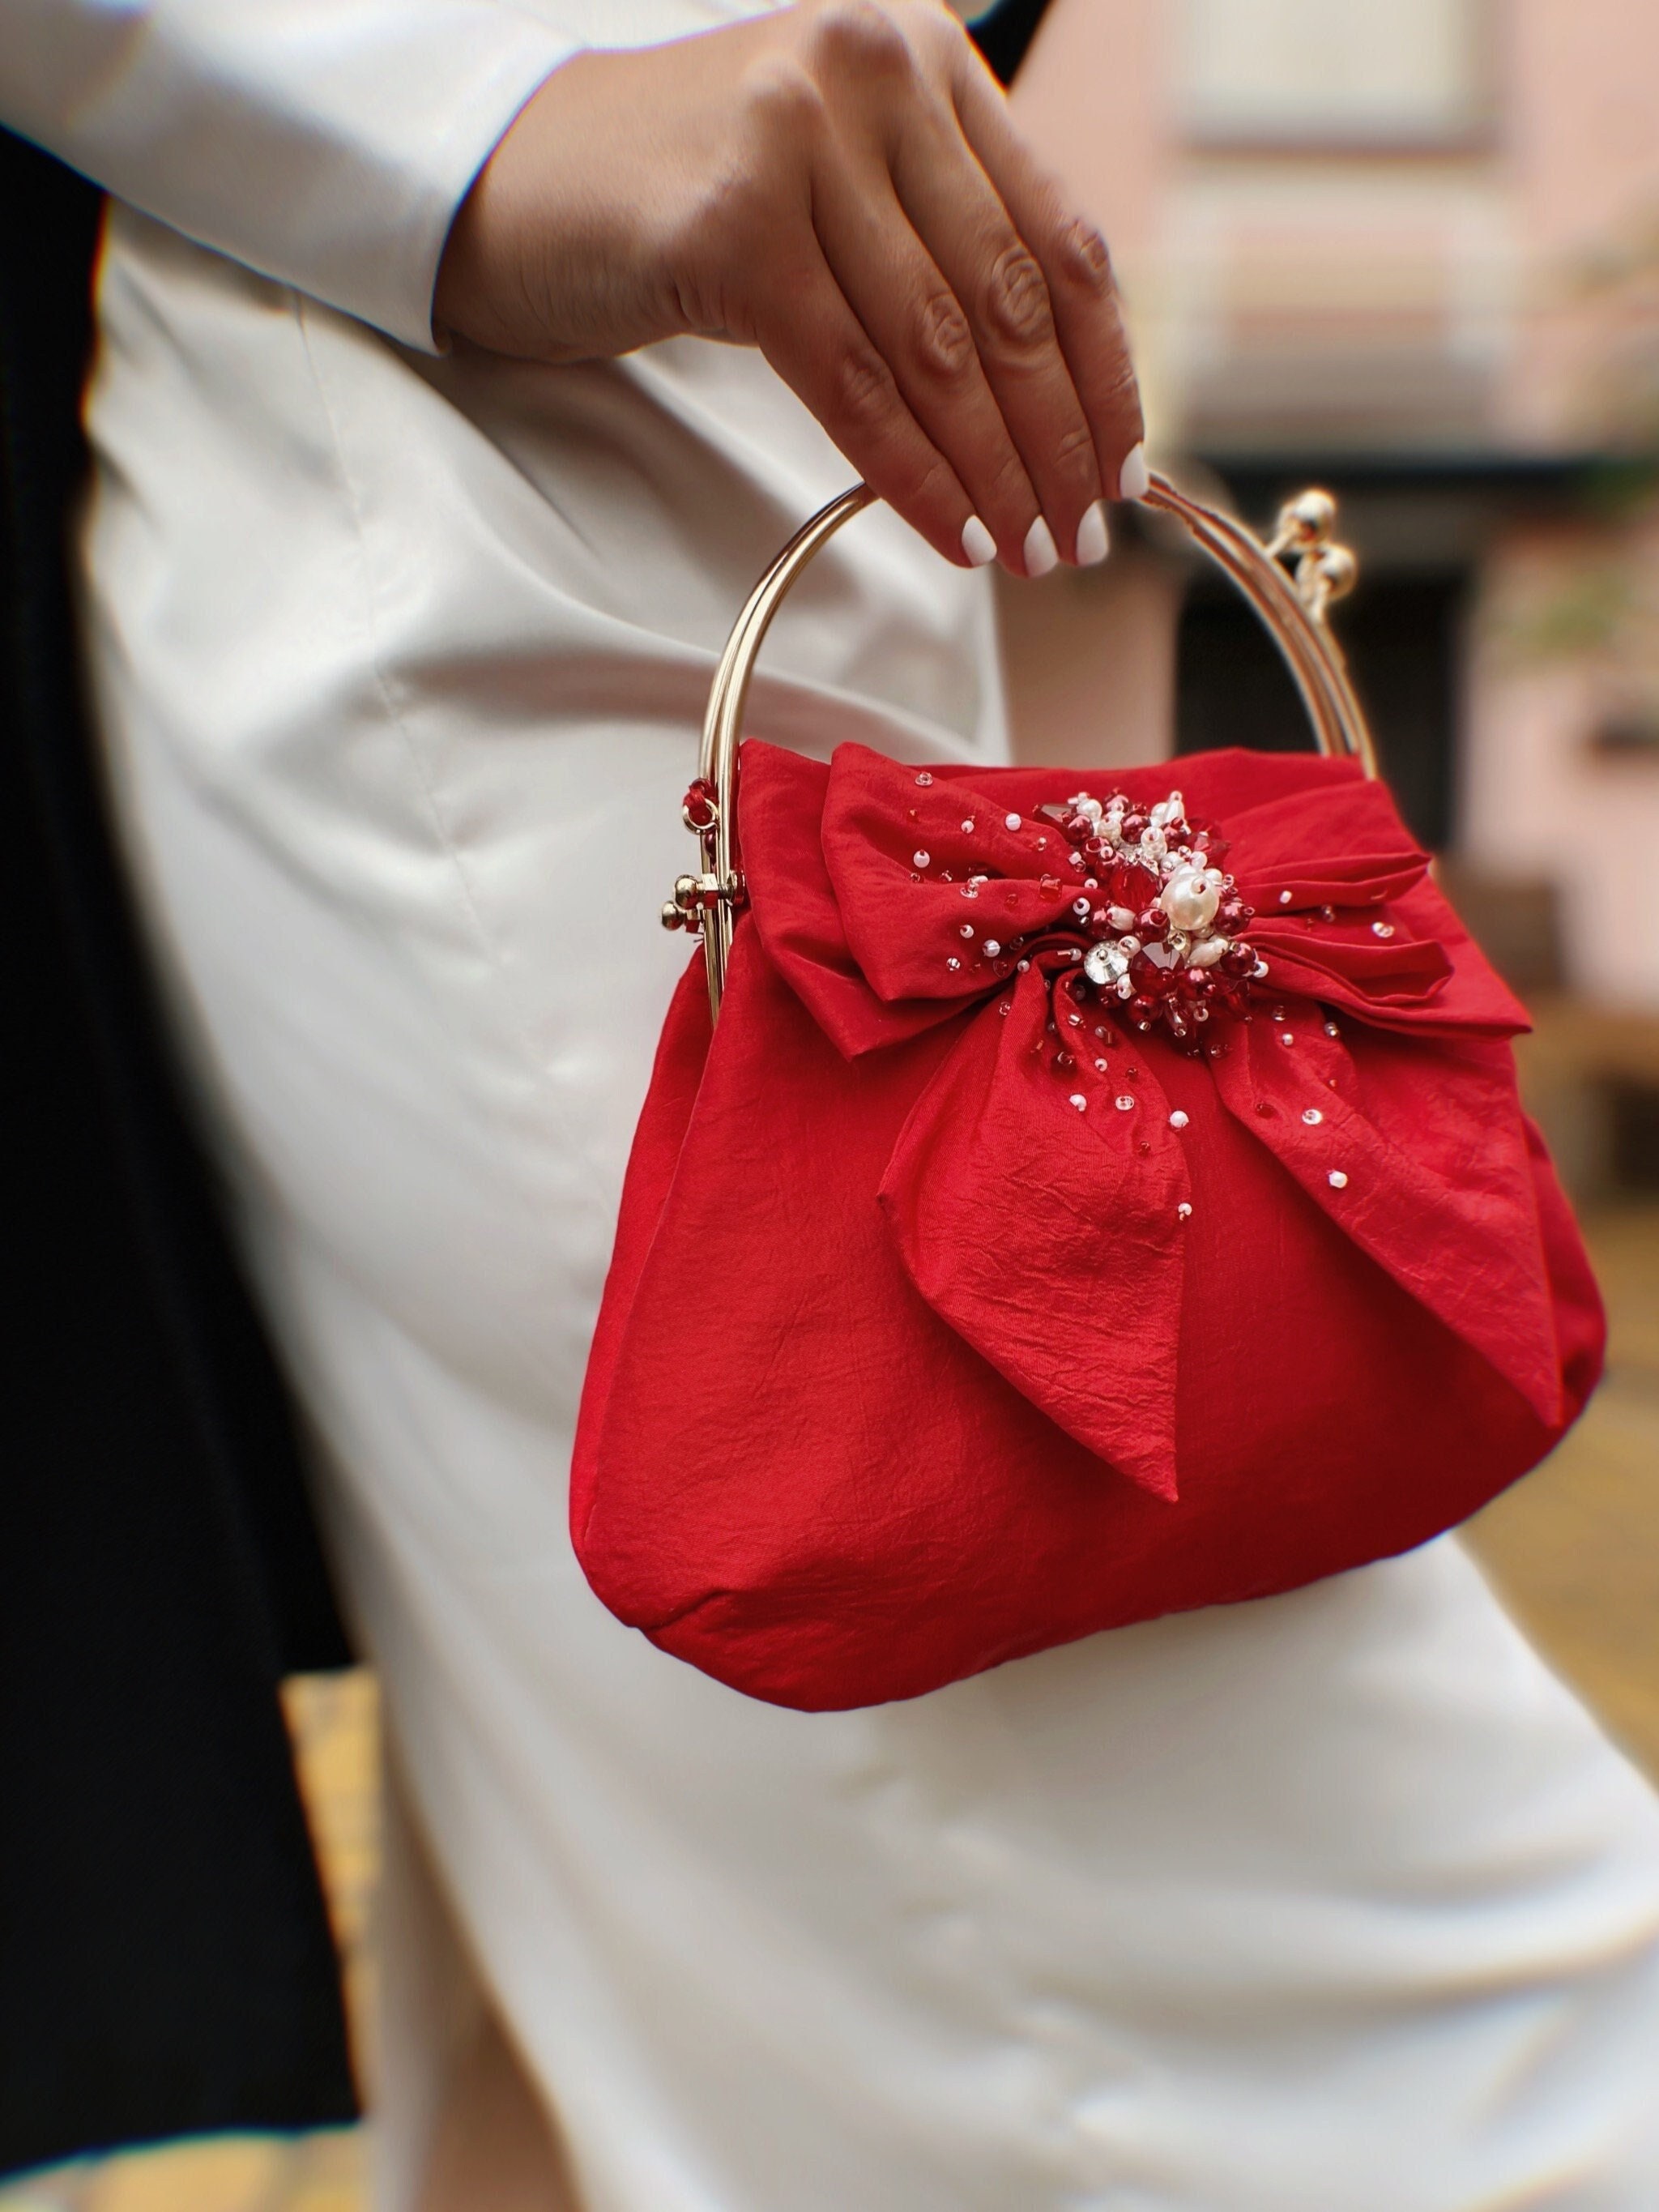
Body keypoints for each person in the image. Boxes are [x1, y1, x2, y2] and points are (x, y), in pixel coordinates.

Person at [6, 2, 1659, 2205]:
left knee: (668, 2010)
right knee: (1396, 2034)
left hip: (779, 415)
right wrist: (457, 112)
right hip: (486, 431)